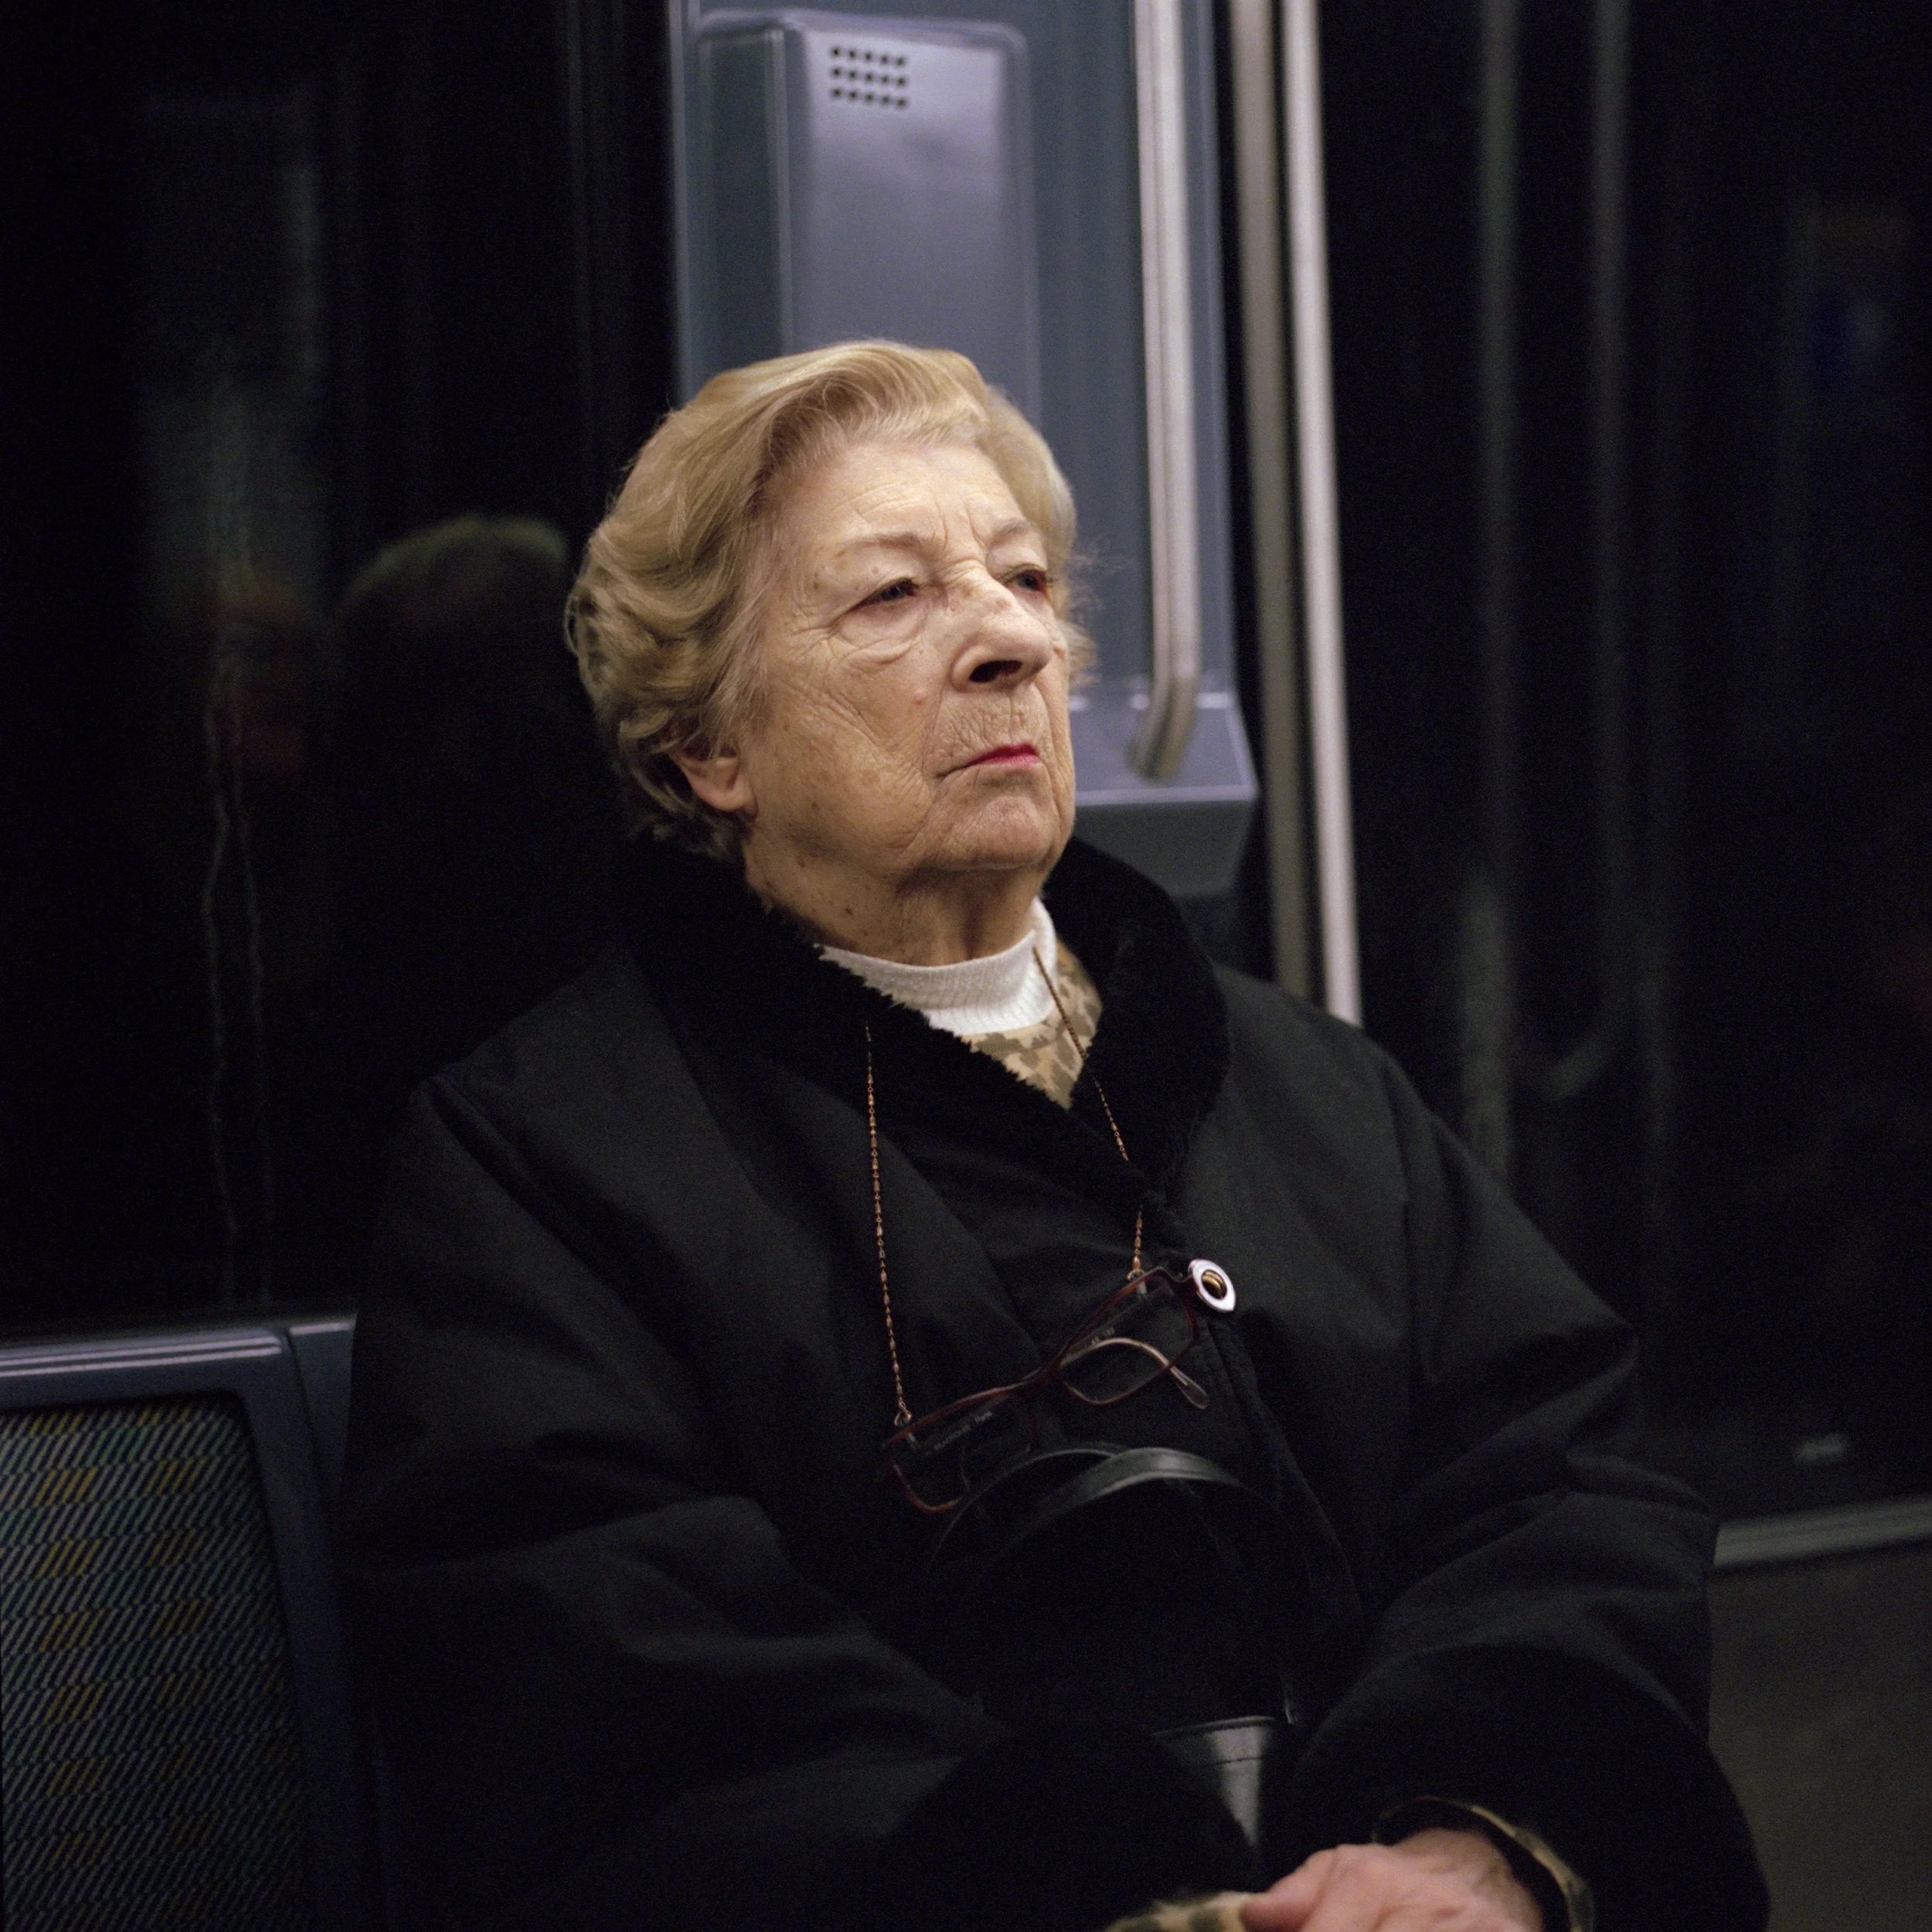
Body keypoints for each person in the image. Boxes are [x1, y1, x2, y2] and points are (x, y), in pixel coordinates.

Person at [339, 343, 1766, 1931]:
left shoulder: (1298, 1084)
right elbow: (601, 1654)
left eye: (1021, 579)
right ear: (706, 748)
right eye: (892, 597)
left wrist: (1474, 1840)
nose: (1012, 636)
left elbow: (1548, 1483)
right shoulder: (544, 1160)